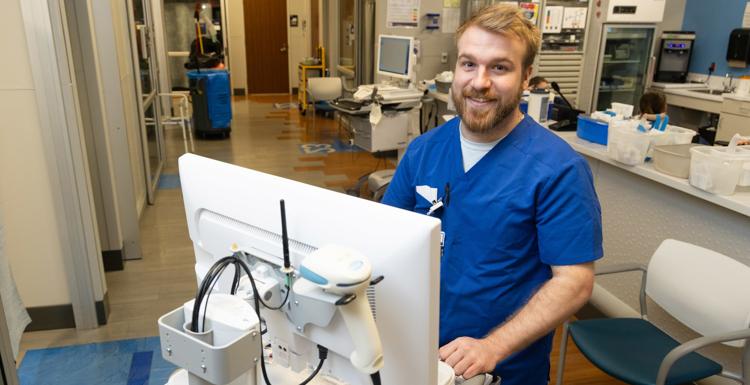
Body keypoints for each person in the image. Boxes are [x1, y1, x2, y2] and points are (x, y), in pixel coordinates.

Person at [381, 4, 602, 385]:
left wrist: (492, 347)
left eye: (499, 67)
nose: (479, 81)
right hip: (419, 351)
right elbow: (386, 232)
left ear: (527, 77)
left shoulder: (558, 169)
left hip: (501, 368)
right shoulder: (424, 150)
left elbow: (574, 282)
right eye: (469, 64)